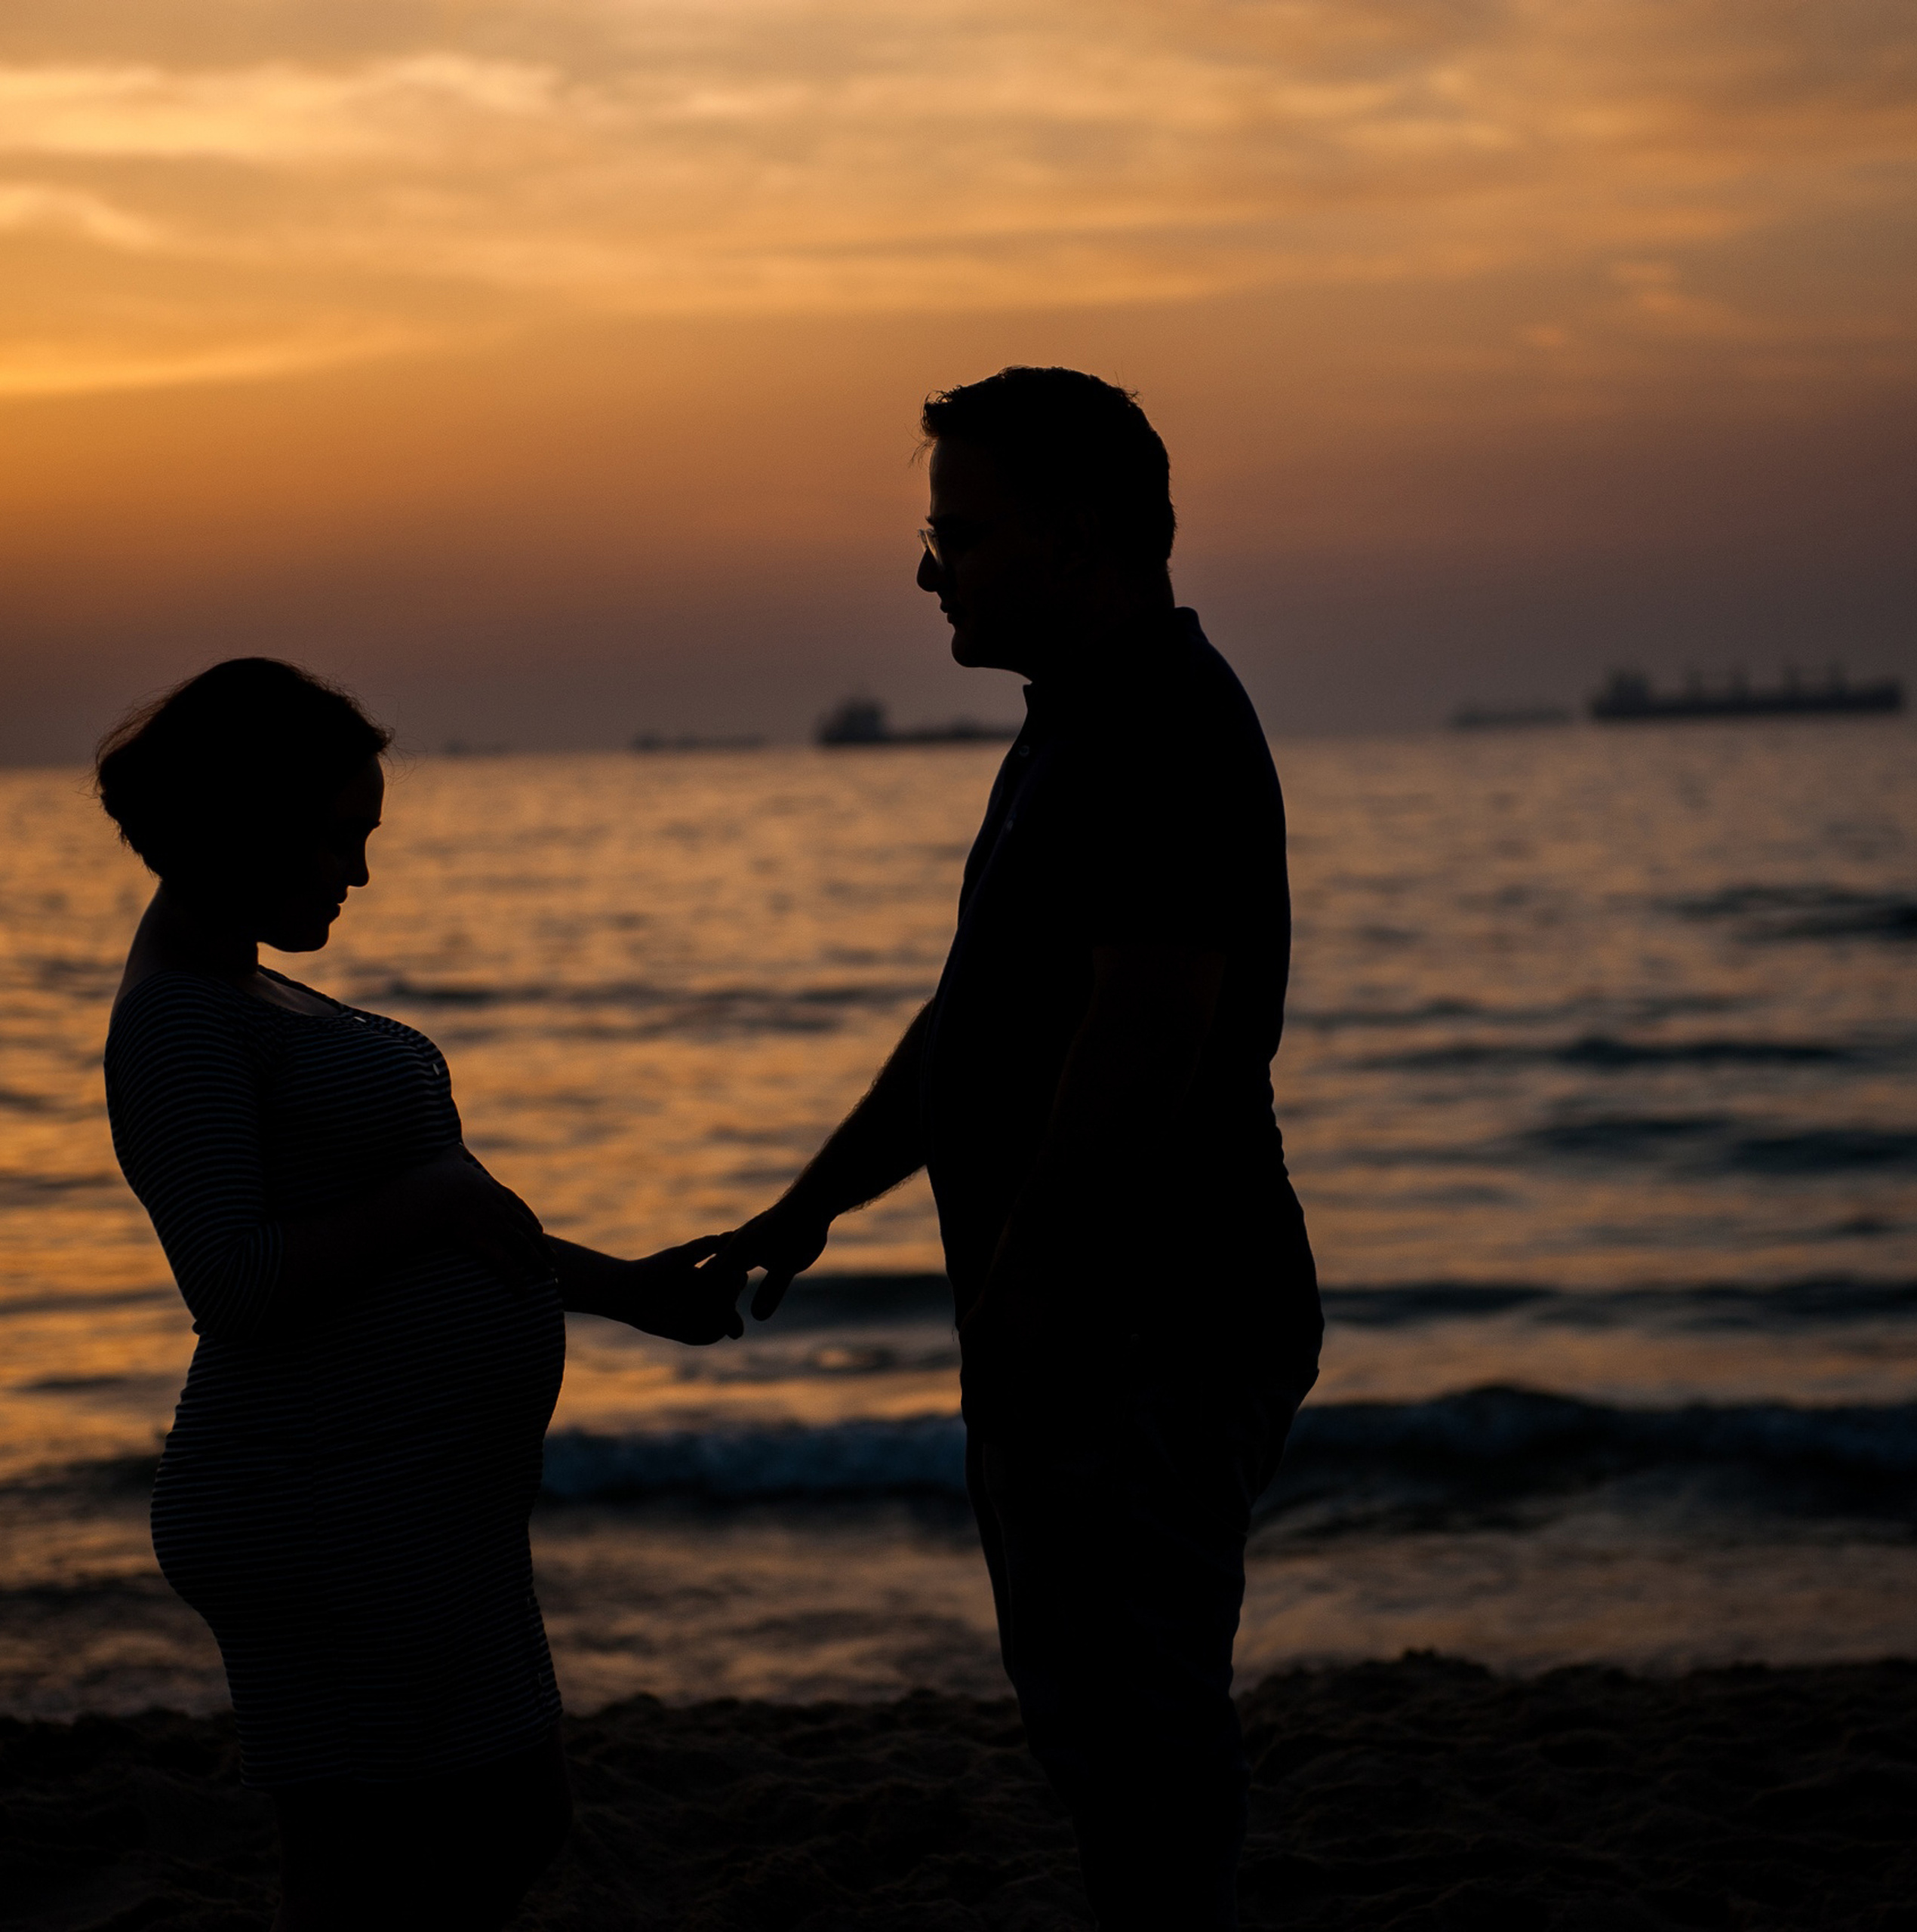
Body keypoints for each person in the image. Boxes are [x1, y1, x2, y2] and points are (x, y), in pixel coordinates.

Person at [721, 366, 1323, 1928]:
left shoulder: (1161, 728)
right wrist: (811, 1206)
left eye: (958, 534)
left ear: (1076, 537)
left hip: (1148, 1323)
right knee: (1092, 1716)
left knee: (1136, 1721)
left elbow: (1147, 1029)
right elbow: (971, 1026)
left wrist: (1036, 1287)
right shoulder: (1078, 723)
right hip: (1091, 1323)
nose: (926, 571)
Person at [96, 659, 745, 1930]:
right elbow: (233, 1281)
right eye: (341, 837)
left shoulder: (247, 986)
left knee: (473, 1836)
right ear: (251, 820)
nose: (360, 873)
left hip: (403, 1505)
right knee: (402, 1859)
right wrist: (426, 1208)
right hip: (315, 1503)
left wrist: (627, 1292)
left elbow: (447, 1225)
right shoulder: (178, 1019)